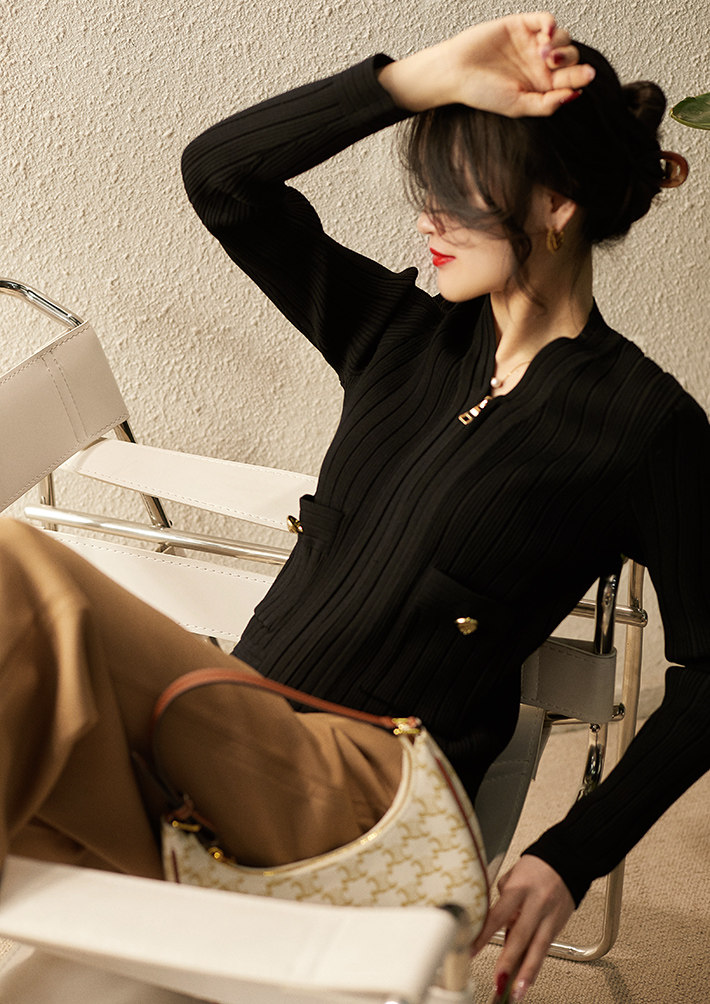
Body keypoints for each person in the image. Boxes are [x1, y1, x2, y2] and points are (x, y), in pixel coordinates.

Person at [0, 12, 707, 1003]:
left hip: (370, 792)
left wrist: (571, 852)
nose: (426, 220)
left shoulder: (642, 425)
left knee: (19, 570)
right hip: (226, 732)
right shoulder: (401, 338)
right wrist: (416, 78)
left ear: (554, 204)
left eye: (455, 196)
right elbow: (222, 180)